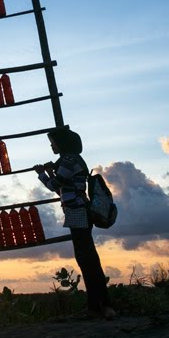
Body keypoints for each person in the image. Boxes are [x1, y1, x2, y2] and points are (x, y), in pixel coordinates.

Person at [35, 125, 116, 320]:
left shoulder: (69, 160)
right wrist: (52, 172)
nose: (51, 146)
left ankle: (99, 306)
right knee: (87, 258)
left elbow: (55, 185)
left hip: (78, 212)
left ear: (61, 143)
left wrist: (42, 174)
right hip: (77, 211)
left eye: (52, 142)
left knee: (86, 259)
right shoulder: (71, 160)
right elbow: (63, 188)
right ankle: (100, 305)